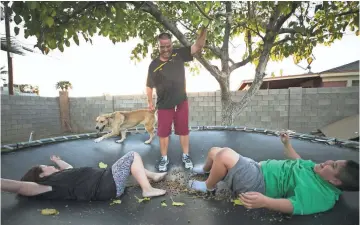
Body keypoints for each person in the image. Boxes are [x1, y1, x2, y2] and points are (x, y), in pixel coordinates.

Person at [188, 132, 359, 215]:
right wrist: (287, 145)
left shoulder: (320, 196)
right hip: (256, 168)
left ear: (336, 182)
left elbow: (293, 206)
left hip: (257, 184)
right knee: (213, 152)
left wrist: (265, 202)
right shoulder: (318, 171)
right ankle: (206, 171)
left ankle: (208, 187)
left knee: (224, 154)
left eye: (334, 165)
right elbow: (298, 161)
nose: (328, 162)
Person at [146, 27, 207, 172]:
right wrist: (150, 102)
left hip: (181, 101)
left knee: (183, 130)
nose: (166, 49)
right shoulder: (153, 65)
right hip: (164, 104)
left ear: (172, 45)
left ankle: (186, 155)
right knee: (163, 133)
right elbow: (149, 86)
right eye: (162, 47)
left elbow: (198, 46)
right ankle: (164, 158)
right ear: (158, 46)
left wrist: (204, 30)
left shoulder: (179, 54)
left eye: (168, 46)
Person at [1, 151, 167, 201]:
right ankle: (147, 189)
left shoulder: (63, 176)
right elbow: (20, 186)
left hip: (107, 181)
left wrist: (59, 162)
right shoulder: (48, 185)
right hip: (107, 184)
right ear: (42, 176)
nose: (49, 166)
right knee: (132, 156)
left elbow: (69, 168)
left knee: (131, 165)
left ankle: (152, 176)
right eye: (45, 167)